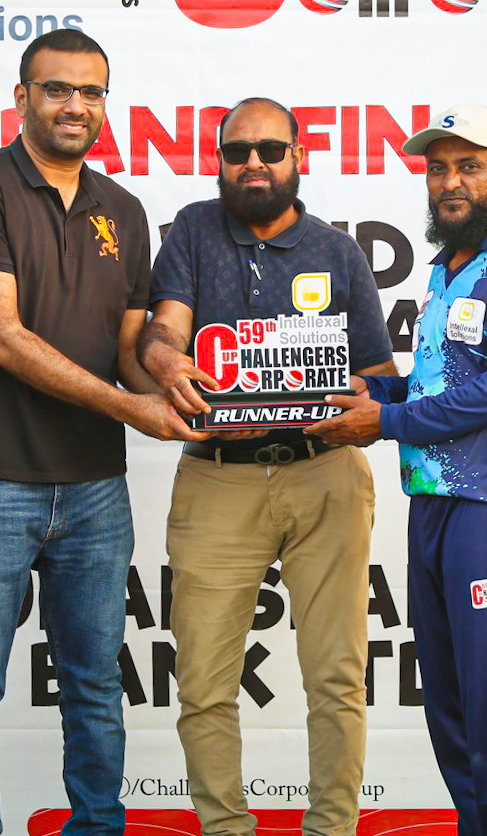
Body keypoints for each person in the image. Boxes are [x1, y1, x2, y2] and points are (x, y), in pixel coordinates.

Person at [0, 28, 205, 836]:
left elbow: (127, 350)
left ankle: (97, 827)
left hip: (92, 489)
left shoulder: (124, 210)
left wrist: (184, 388)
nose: (74, 105)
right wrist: (129, 409)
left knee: (93, 683)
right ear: (22, 98)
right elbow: (0, 337)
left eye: (90, 91)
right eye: (56, 89)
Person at [137, 97, 397, 836]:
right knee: (203, 679)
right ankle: (224, 828)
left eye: (270, 149)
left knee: (337, 675)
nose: (253, 162)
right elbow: (165, 329)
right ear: (219, 160)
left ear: (297, 158)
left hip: (325, 472)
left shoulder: (338, 251)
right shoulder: (192, 228)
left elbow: (379, 374)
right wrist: (163, 360)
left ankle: (331, 829)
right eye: (237, 150)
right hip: (217, 473)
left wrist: (348, 396)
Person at [306, 104, 487, 836]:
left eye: (469, 166)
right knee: (450, 710)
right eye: (438, 168)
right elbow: (441, 382)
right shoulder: (450, 267)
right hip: (433, 506)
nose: (450, 182)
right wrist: (372, 392)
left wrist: (383, 422)